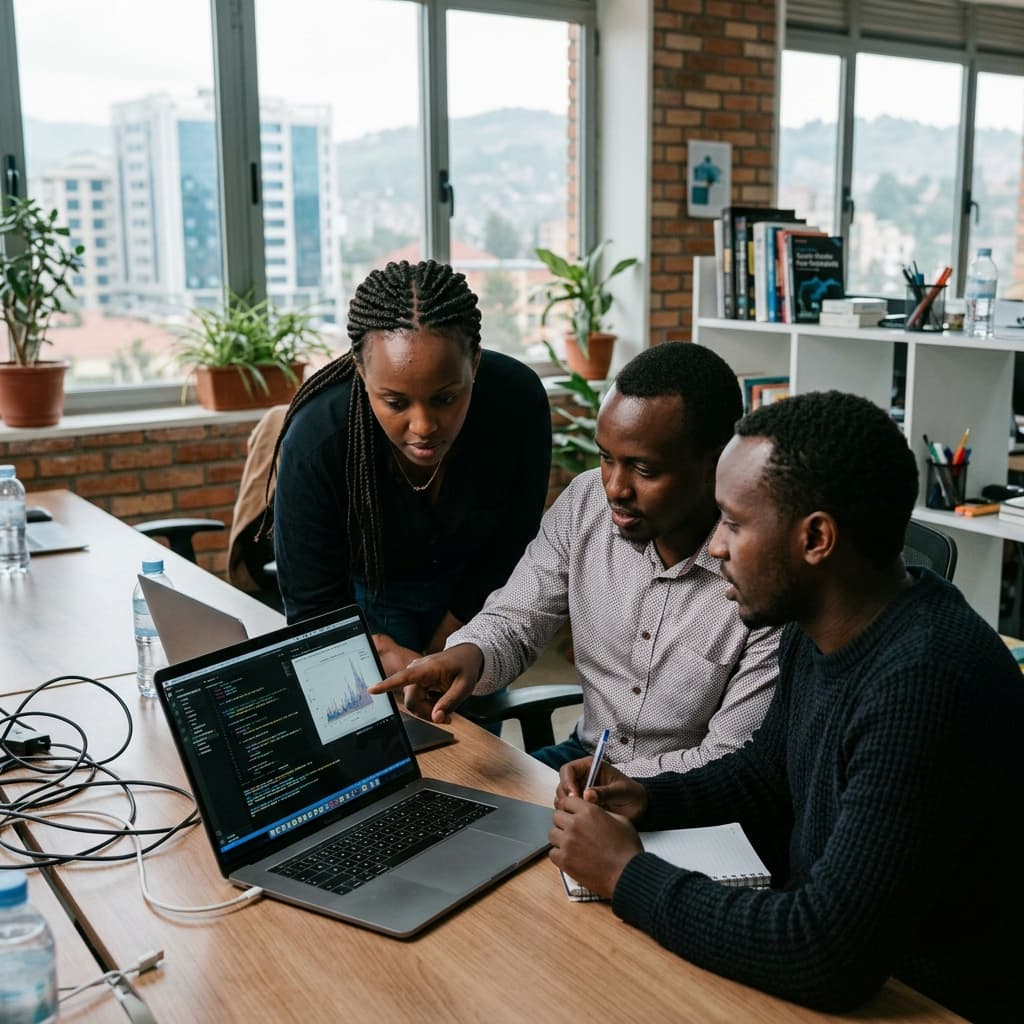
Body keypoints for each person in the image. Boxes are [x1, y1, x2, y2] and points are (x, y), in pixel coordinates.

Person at [548, 390, 1023, 1023]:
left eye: (735, 523)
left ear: (817, 539)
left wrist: (625, 874)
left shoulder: (926, 681)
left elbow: (827, 950)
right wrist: (647, 797)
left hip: (921, 1002)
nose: (715, 546)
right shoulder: (821, 622)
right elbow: (767, 775)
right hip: (842, 979)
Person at [371, 342, 780, 776]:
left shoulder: (765, 578)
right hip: (585, 760)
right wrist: (470, 654)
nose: (615, 488)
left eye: (643, 470)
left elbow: (730, 759)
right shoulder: (586, 502)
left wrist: (608, 790)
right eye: (606, 458)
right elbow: (516, 617)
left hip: (686, 796)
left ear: (716, 462)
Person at [270, 259, 552, 677]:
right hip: (369, 601)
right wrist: (379, 651)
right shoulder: (317, 439)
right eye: (396, 403)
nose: (423, 428)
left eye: (446, 398)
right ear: (362, 371)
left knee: (473, 735)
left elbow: (512, 544)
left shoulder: (516, 403)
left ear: (473, 362)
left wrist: (452, 646)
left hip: (479, 595)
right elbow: (314, 609)